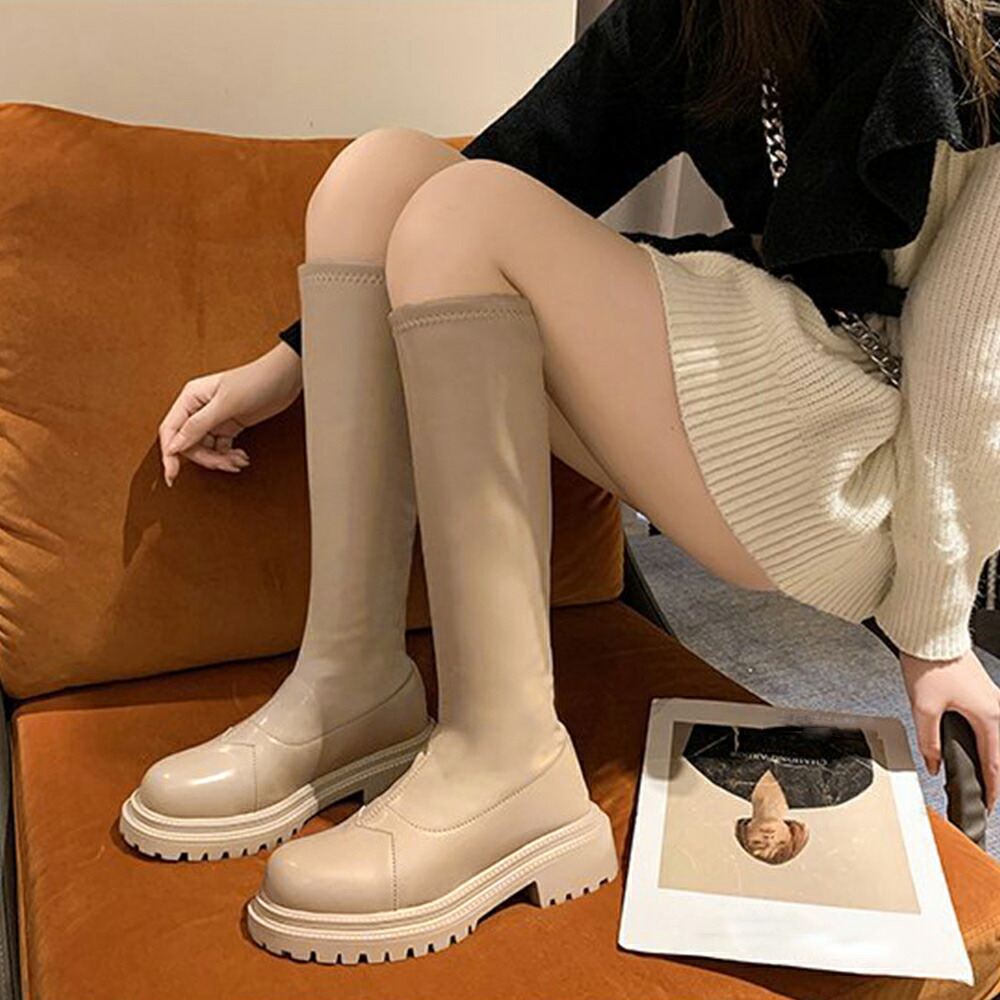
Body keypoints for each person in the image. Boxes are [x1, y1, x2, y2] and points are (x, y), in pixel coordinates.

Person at [118, 0, 1000, 964]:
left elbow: (972, 367)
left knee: (465, 213)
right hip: (760, 376)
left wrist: (935, 626)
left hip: (860, 455)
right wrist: (288, 362)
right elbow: (543, 150)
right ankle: (350, 683)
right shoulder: (710, 13)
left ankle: (509, 757)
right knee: (378, 178)